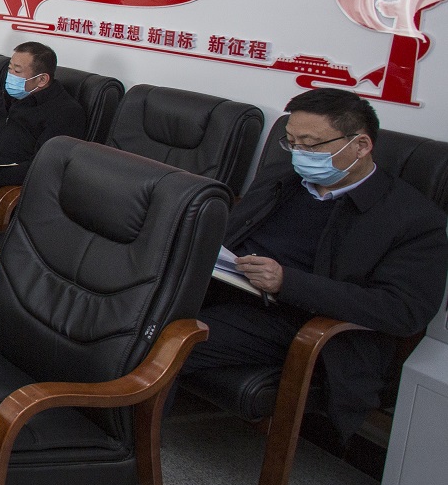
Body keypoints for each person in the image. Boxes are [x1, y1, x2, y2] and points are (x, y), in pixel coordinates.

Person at [182, 88, 448, 440]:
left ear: (361, 145)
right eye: (292, 142)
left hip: (298, 322)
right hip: (229, 290)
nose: (299, 154)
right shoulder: (283, 178)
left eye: (310, 145)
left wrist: (287, 282)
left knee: (170, 340)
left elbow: (403, 311)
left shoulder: (412, 218)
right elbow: (232, 232)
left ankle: (127, 451)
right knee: (128, 310)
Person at [0, 41, 85, 222]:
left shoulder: (65, 113)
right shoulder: (12, 98)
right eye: (10, 68)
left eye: (17, 71)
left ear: (42, 79)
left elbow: (44, 168)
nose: (10, 76)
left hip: (3, 192)